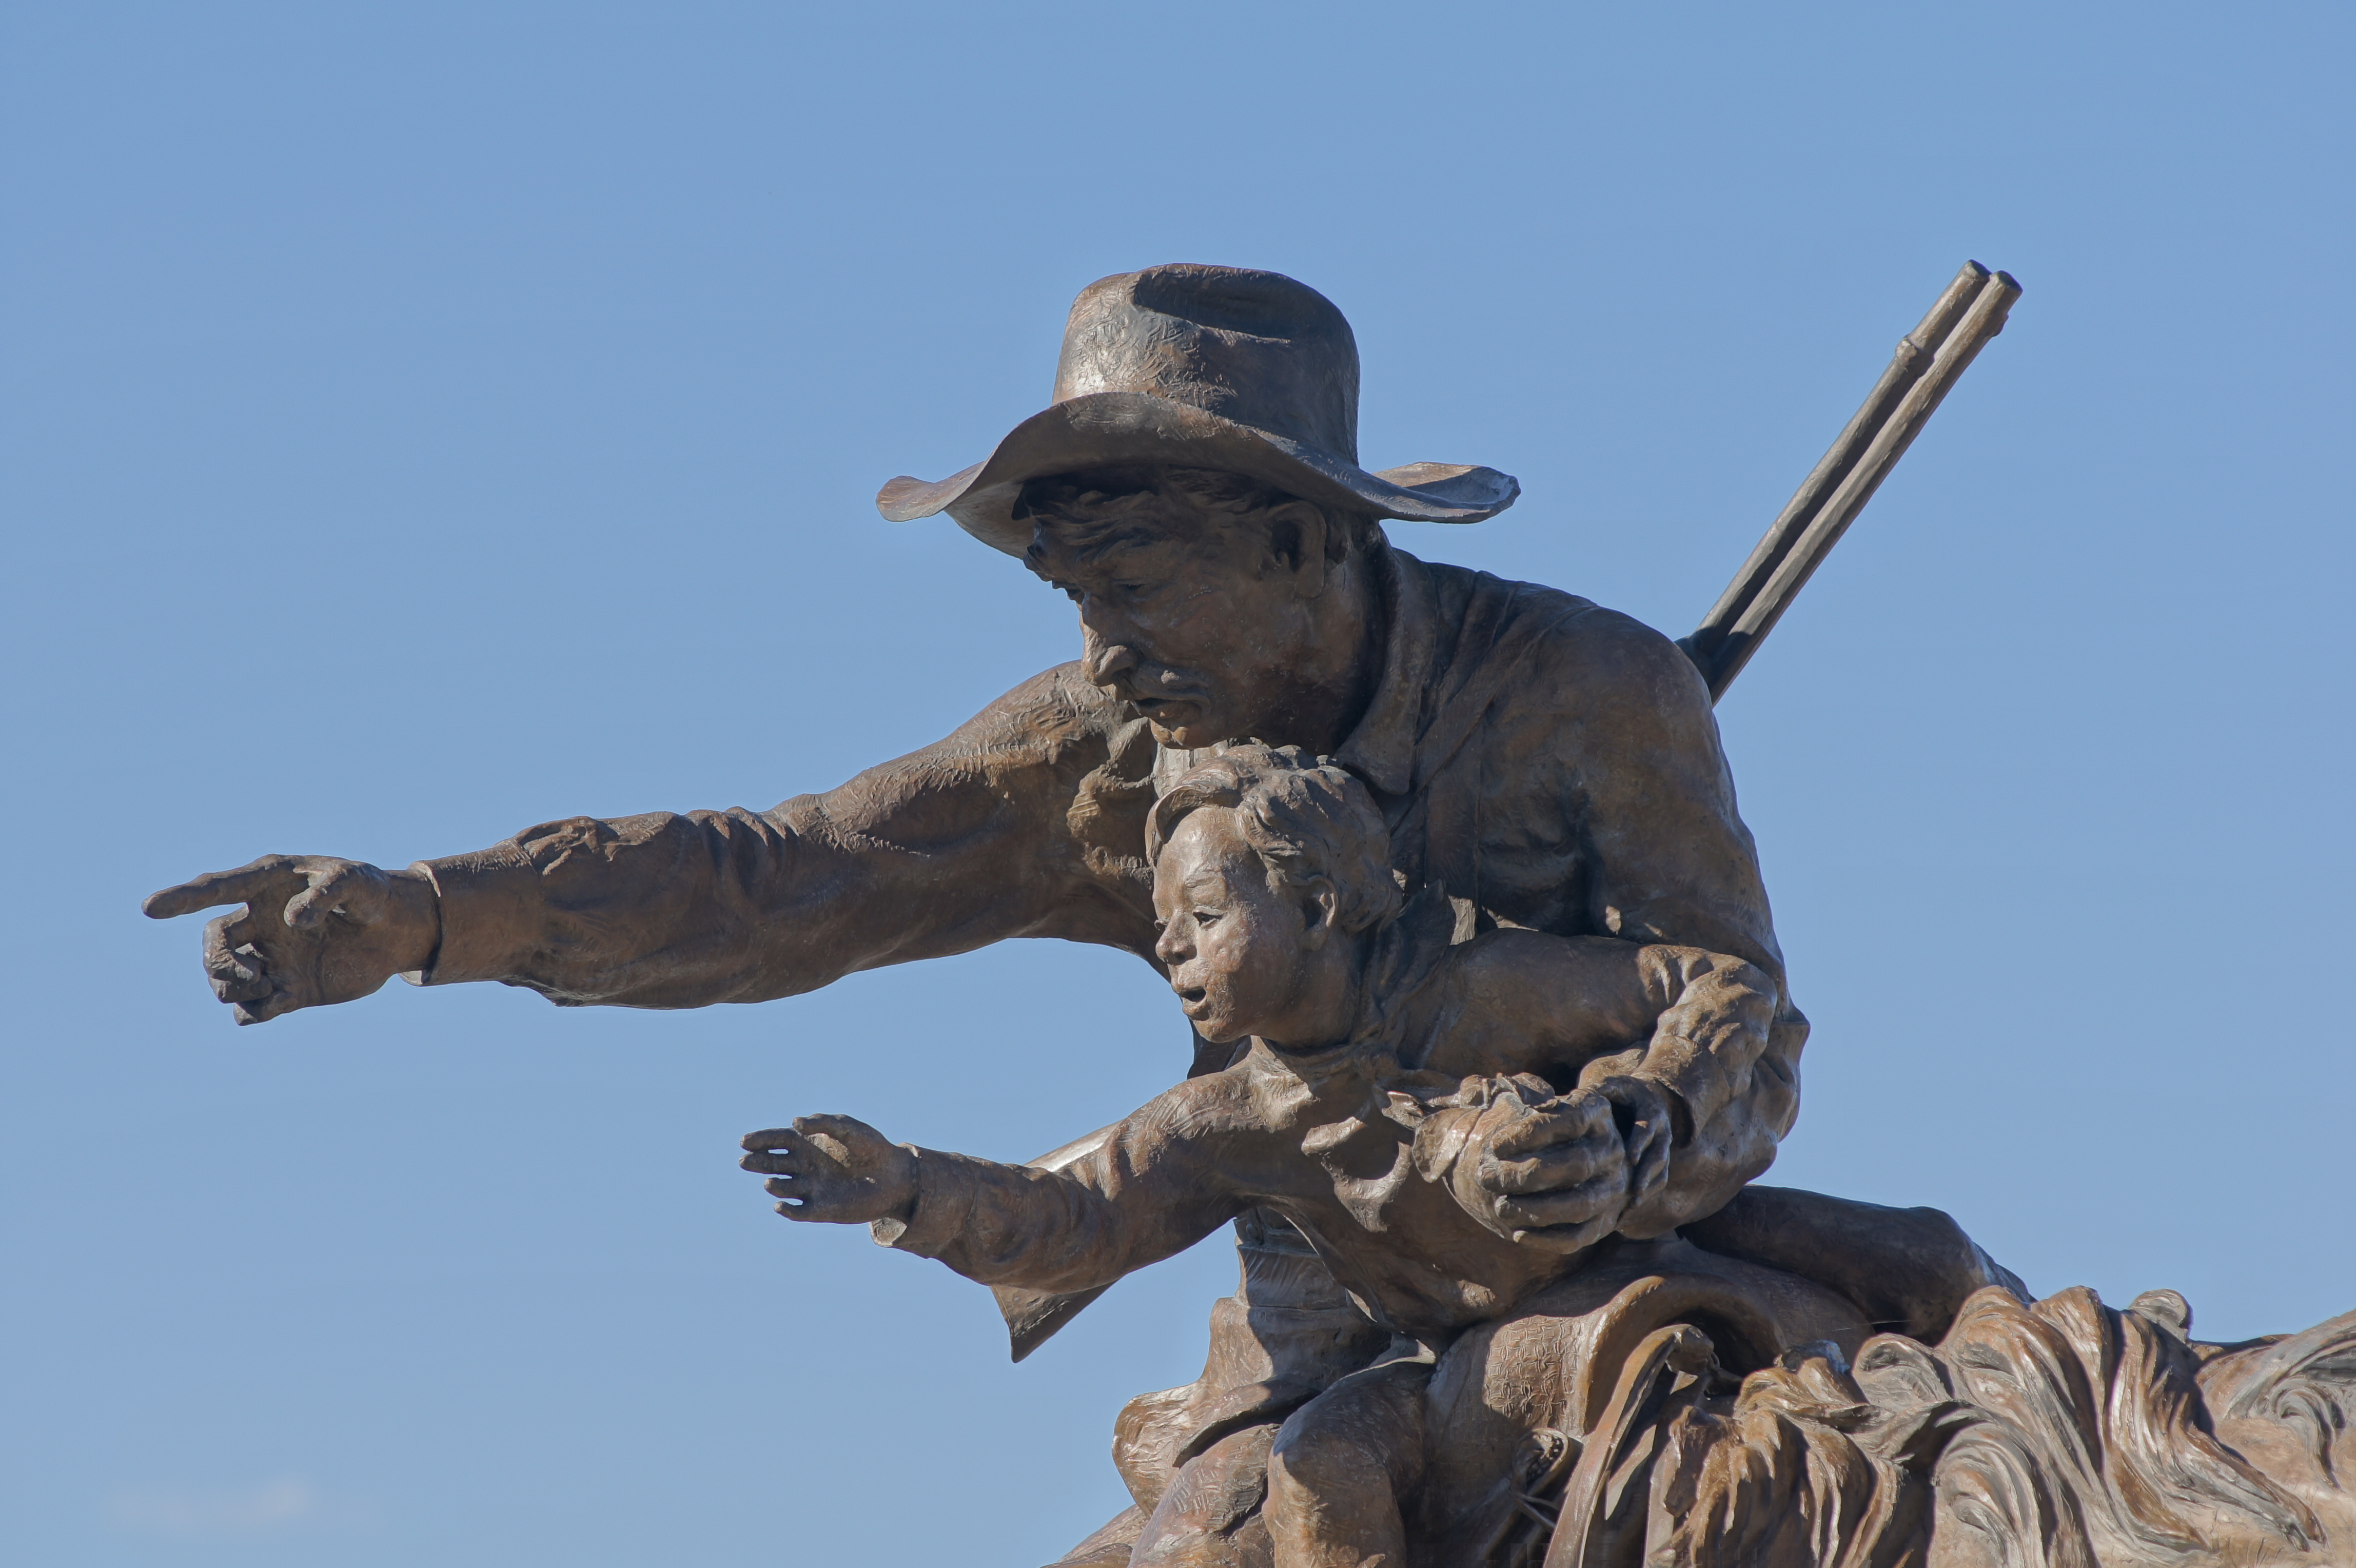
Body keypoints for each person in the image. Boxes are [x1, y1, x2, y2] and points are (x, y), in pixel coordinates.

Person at [144, 263, 1818, 1561]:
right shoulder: (1108, 751)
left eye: (1133, 589)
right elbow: (794, 875)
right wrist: (436, 914)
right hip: (1318, 1337)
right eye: (1074, 598)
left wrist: (1632, 1132)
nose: (1099, 655)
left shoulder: (1593, 694)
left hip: (1602, 1277)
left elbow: (1740, 1013)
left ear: (1299, 542)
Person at [741, 749, 1791, 1568]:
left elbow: (1718, 982)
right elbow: (1082, 1217)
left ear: (1319, 906)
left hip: (1625, 1282)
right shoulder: (1231, 1120)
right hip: (1440, 1365)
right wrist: (912, 1186)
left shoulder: (1486, 988)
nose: (1171, 948)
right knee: (1321, 1458)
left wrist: (1644, 1107)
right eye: (1166, 927)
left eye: (1204, 917)